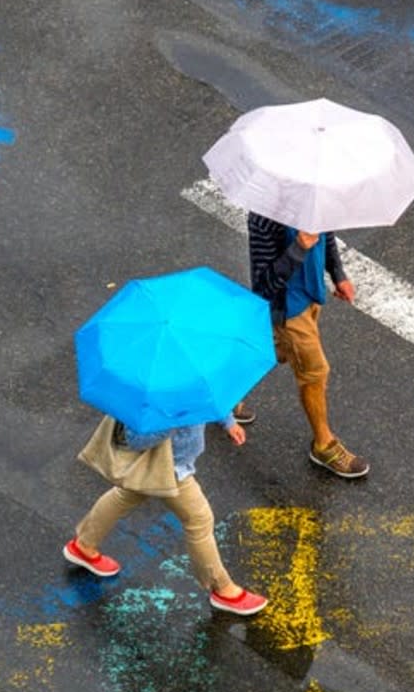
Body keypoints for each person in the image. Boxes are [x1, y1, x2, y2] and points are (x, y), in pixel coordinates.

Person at [63, 415, 268, 616]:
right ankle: (223, 589)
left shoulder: (185, 382)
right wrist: (174, 420)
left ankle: (83, 545)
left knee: (123, 496)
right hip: (168, 469)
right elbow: (136, 439)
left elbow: (206, 395)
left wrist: (228, 421)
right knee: (199, 520)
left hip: (171, 464)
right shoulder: (156, 395)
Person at [234, 212, 369, 478]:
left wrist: (337, 273)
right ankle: (324, 445)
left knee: (273, 349)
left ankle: (221, 393)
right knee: (315, 373)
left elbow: (326, 234)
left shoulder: (313, 198)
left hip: (311, 299)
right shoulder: (265, 219)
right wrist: (299, 248)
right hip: (289, 311)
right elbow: (263, 285)